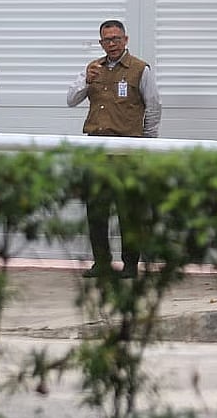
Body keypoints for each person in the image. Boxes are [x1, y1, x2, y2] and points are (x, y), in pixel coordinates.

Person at [67, 19, 162, 278]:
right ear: (101, 43)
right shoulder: (93, 69)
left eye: (116, 39)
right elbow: (70, 100)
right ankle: (101, 262)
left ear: (126, 40)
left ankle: (130, 264)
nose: (112, 44)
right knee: (96, 208)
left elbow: (153, 107)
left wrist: (147, 144)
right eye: (107, 40)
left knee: (128, 210)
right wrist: (86, 80)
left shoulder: (140, 70)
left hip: (126, 150)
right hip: (96, 149)